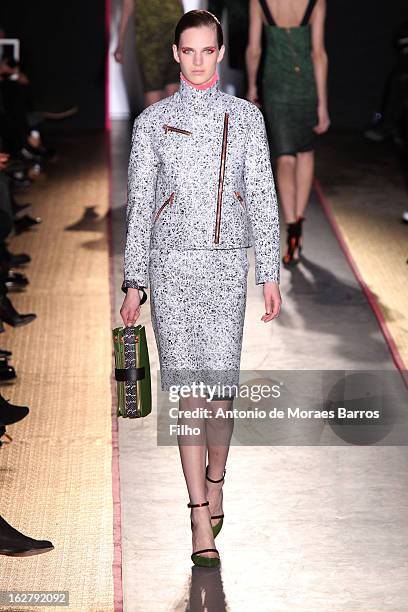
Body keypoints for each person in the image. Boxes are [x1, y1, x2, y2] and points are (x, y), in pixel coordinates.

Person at [120, 10, 281, 568]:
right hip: (169, 269)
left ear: (219, 52)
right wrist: (134, 281)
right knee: (186, 394)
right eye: (187, 50)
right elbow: (139, 205)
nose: (196, 59)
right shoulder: (151, 122)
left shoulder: (247, 119)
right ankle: (196, 514)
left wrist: (269, 272)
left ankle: (217, 477)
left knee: (219, 394)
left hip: (224, 268)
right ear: (174, 53)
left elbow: (261, 193)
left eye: (206, 50)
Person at [246, 0, 330, 264]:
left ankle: (291, 223)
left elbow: (254, 50)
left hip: (276, 86)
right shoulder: (316, 2)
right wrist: (323, 104)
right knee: (305, 153)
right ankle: (297, 229)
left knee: (284, 157)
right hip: (305, 85)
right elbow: (318, 54)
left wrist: (251, 87)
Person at [114, 0, 184, 108]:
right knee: (154, 94)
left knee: (172, 90)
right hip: (148, 38)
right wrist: (120, 43)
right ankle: (152, 123)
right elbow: (127, 5)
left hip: (173, 33)